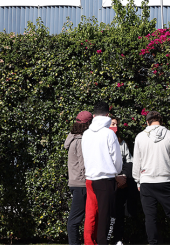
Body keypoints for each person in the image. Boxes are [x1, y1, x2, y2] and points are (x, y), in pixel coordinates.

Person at [133, 111, 170, 245]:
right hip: (166, 180)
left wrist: (138, 180)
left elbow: (136, 162)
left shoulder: (140, 137)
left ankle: (153, 243)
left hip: (146, 181)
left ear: (147, 122)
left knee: (150, 217)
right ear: (161, 121)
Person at [82, 101, 124, 245]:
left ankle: (89, 242)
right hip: (106, 179)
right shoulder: (109, 134)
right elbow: (117, 159)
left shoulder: (86, 134)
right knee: (107, 217)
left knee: (91, 215)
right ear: (107, 115)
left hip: (90, 178)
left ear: (94, 115)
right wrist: (118, 173)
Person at [107, 114, 136, 245]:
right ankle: (106, 237)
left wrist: (123, 177)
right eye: (113, 124)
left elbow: (129, 161)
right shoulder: (101, 141)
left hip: (121, 184)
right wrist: (115, 178)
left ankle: (118, 238)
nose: (115, 127)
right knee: (107, 212)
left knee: (119, 212)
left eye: (116, 124)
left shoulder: (121, 142)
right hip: (108, 182)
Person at [65, 111, 93, 245]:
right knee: (75, 220)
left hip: (74, 182)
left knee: (77, 219)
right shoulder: (81, 141)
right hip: (82, 184)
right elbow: (84, 164)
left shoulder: (72, 137)